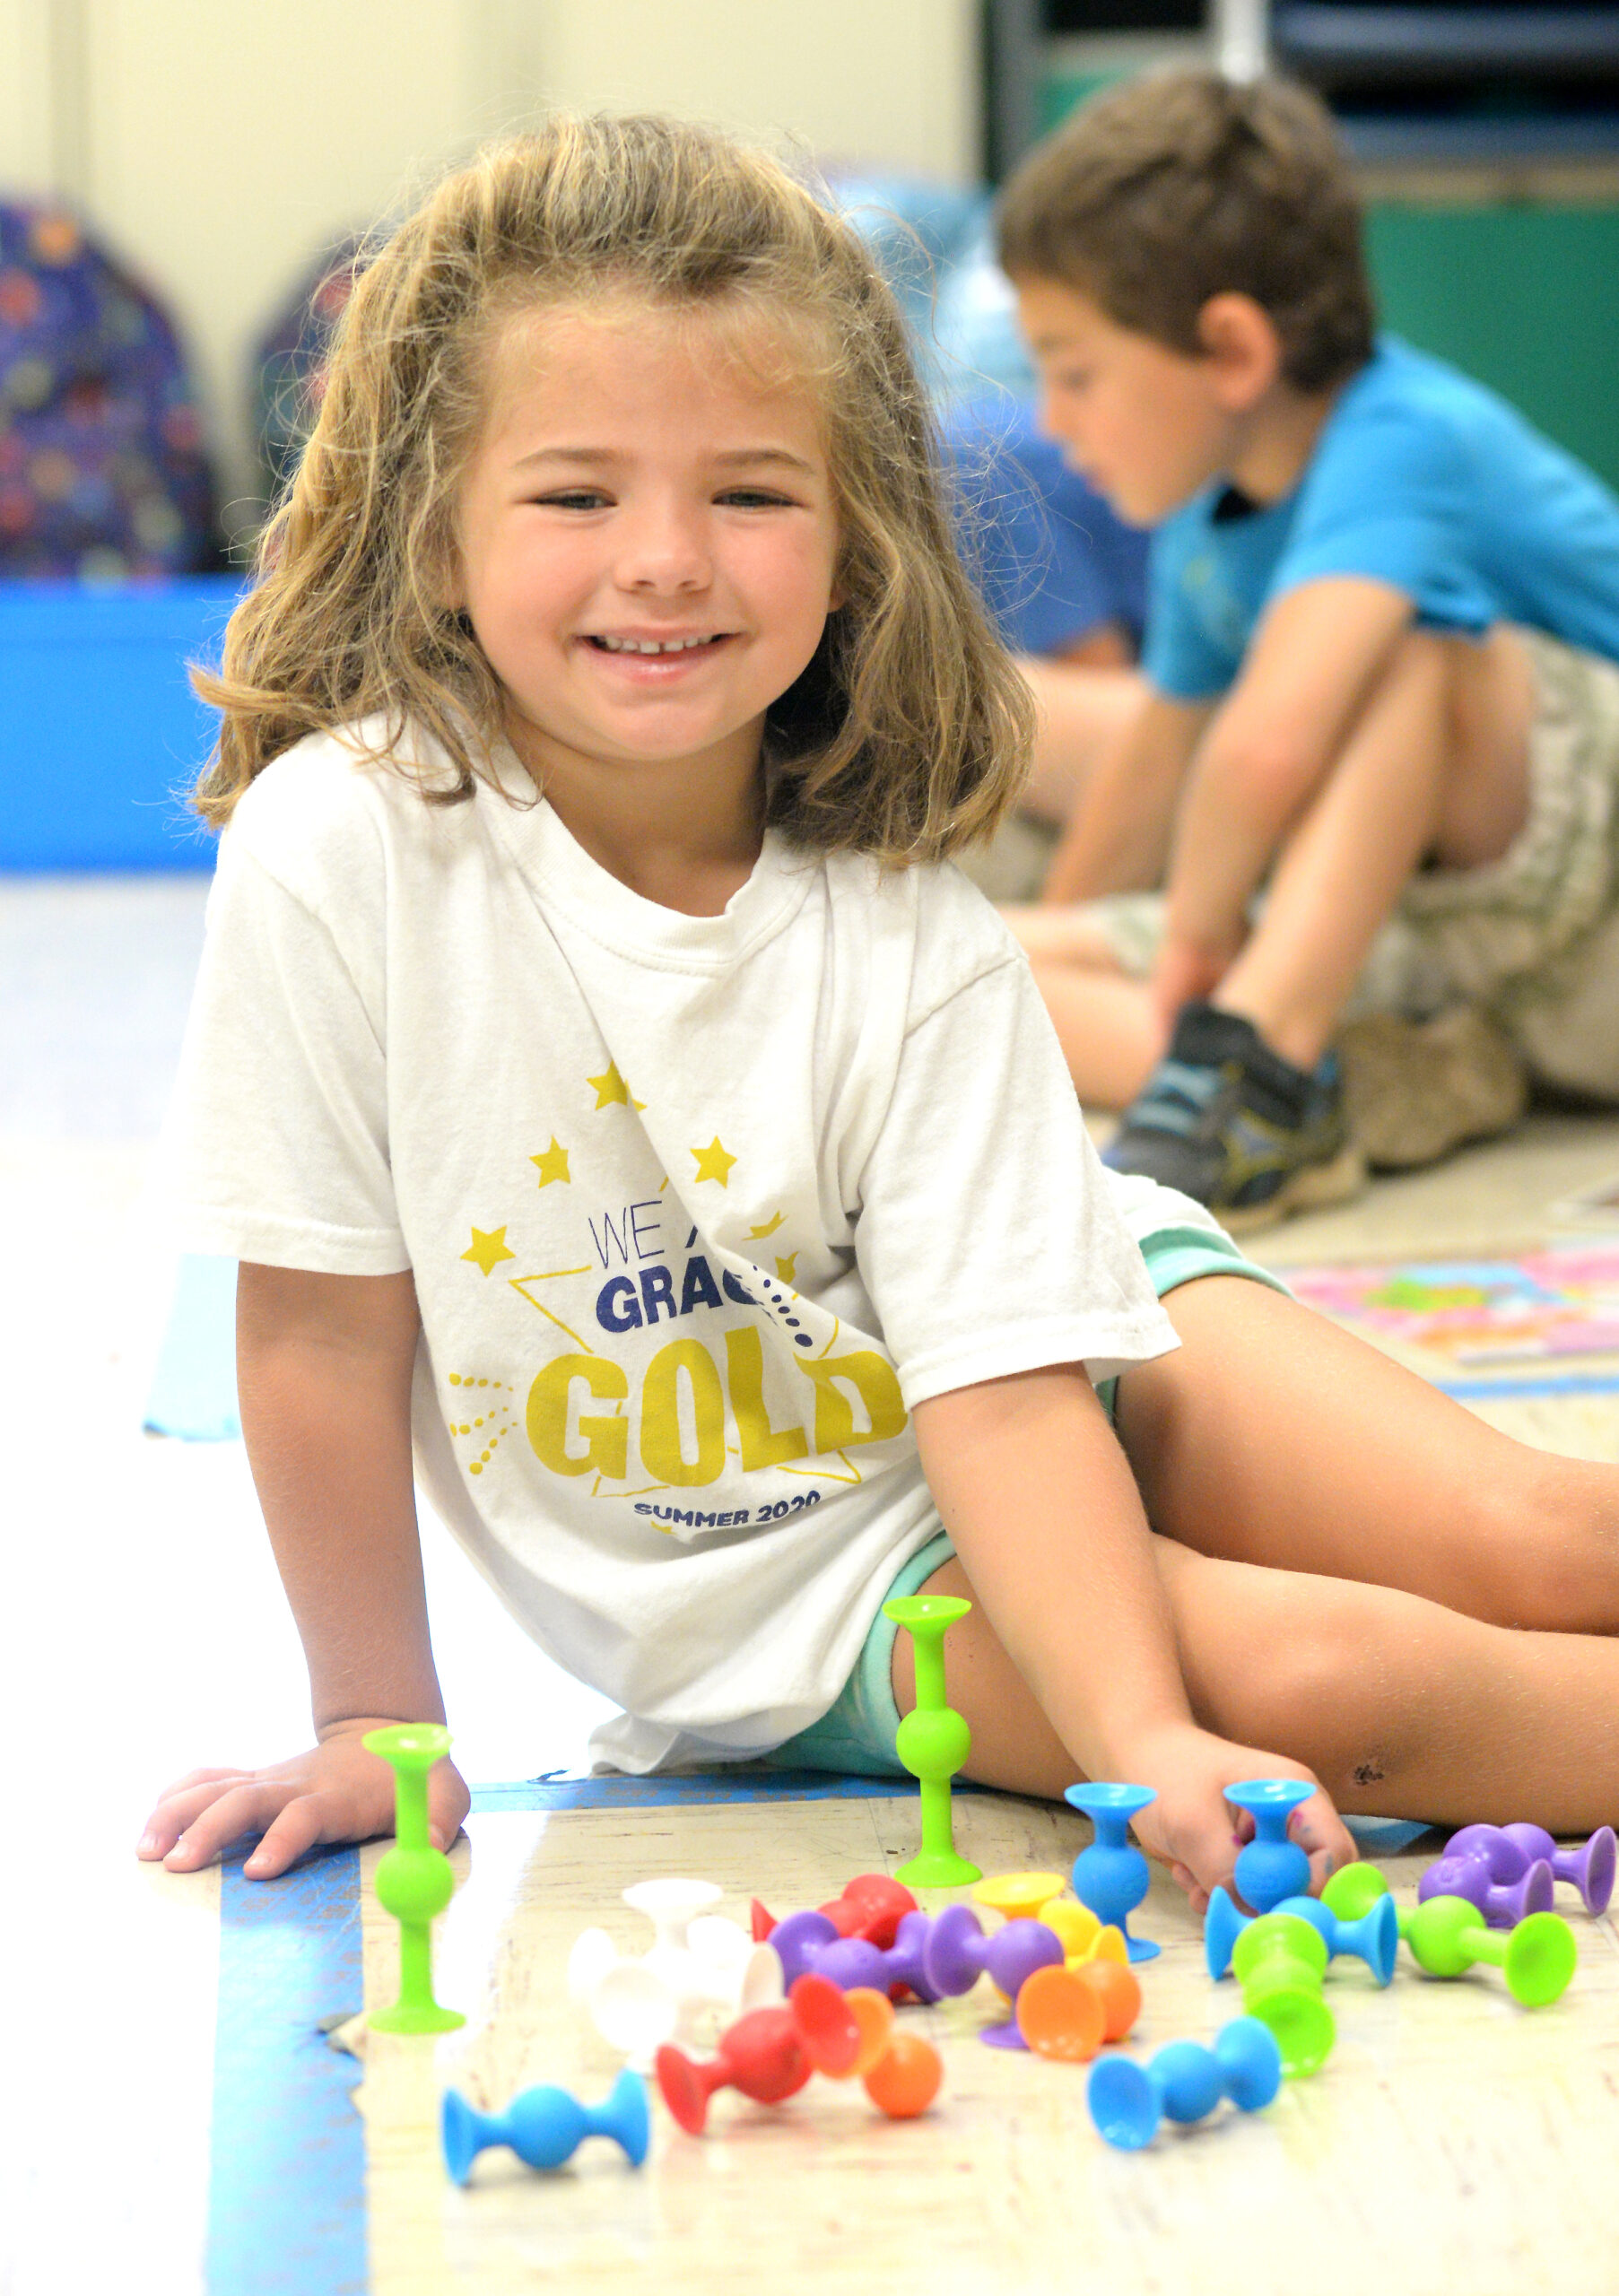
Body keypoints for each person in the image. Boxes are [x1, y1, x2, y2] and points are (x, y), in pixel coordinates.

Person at [136, 117, 1619, 1922]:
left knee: (1535, 1537)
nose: (666, 559)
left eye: (751, 495)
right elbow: (314, 1333)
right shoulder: (338, 847)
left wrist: (1134, 1730)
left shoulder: (909, 920)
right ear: (435, 534)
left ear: (855, 538)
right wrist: (375, 1717)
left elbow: (1003, 1388)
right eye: (577, 495)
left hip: (1039, 1340)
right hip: (800, 1576)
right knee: (1331, 1685)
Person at [995, 70, 1619, 1226]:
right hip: (1474, 960)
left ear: (1232, 351)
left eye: (1074, 373)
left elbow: (1267, 751)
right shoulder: (1208, 511)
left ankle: (1263, 1052)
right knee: (968, 966)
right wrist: (1080, 937)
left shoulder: (1408, 441)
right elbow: (1158, 766)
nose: (1050, 420)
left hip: (1598, 908)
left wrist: (1194, 938)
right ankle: (1359, 1085)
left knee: (1408, 652)